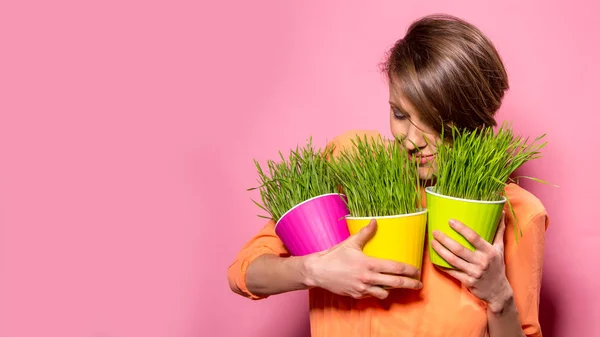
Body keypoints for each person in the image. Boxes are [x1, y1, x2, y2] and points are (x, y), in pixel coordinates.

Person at [227, 14, 549, 337]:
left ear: (474, 121)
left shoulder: (516, 211)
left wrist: (499, 296)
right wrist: (315, 270)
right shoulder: (350, 160)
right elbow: (244, 271)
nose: (411, 140)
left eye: (436, 124)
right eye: (400, 114)